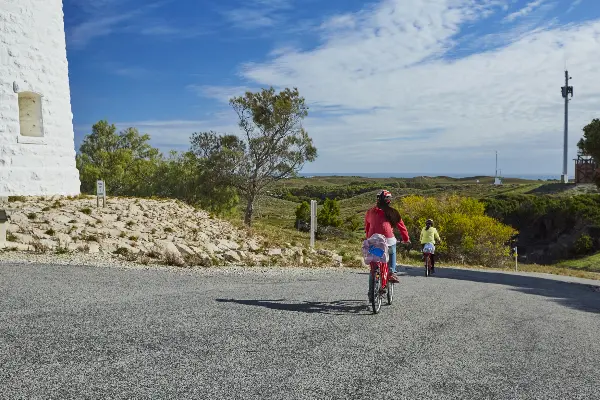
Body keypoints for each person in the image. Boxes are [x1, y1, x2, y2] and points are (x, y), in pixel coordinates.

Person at [364, 190, 411, 283]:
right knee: (392, 250)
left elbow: (367, 226)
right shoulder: (393, 212)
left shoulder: (370, 212)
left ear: (377, 200)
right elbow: (402, 228)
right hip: (388, 239)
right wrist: (406, 239)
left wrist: (368, 237)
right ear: (389, 200)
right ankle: (391, 272)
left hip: (372, 238)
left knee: (374, 257)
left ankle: (374, 272)